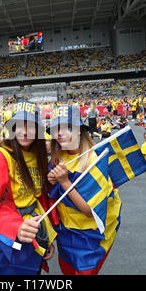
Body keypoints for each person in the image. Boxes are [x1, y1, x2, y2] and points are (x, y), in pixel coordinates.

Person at [0, 101, 56, 275]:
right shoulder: (1, 155)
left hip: (32, 230)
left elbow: (38, 200)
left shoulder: (38, 155)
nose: (25, 131)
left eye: (31, 126)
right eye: (18, 125)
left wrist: (47, 237)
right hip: (5, 234)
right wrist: (16, 228)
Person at [47, 104, 121, 275]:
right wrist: (51, 180)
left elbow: (90, 210)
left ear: (80, 129)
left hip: (89, 235)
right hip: (66, 232)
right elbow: (51, 191)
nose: (60, 133)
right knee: (67, 269)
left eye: (67, 127)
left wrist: (64, 182)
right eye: (56, 129)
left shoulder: (94, 160)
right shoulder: (58, 155)